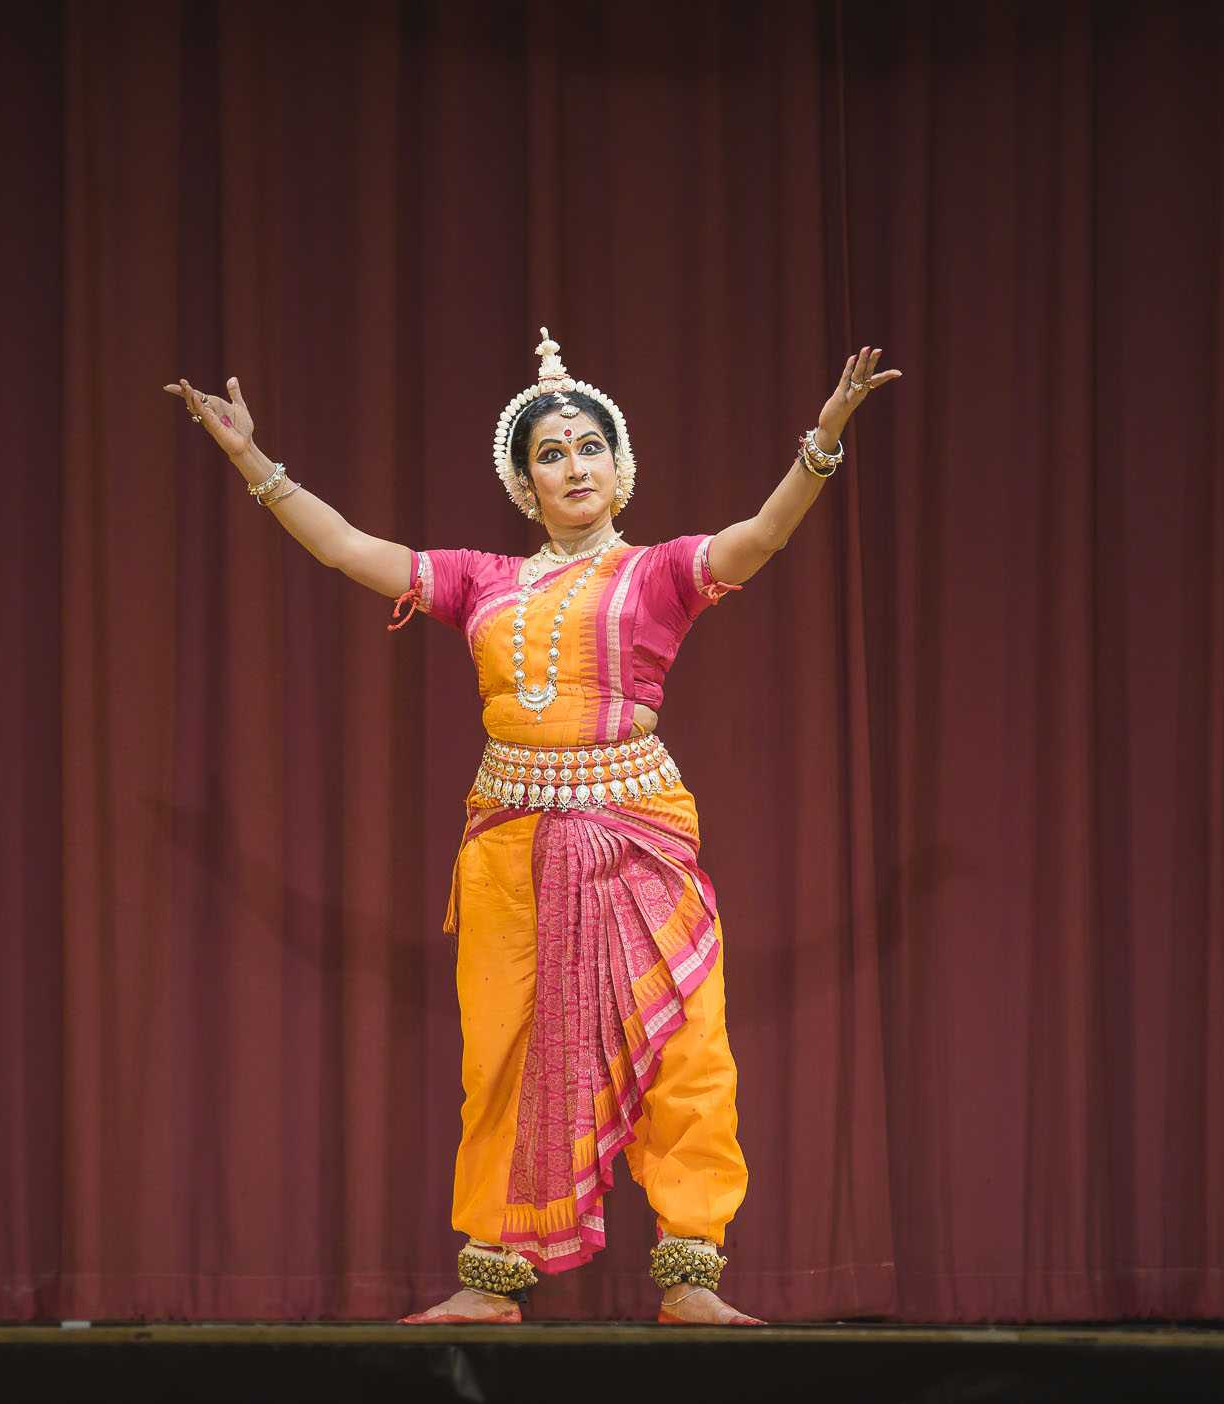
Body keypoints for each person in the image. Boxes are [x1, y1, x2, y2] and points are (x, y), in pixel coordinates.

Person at [166, 330, 899, 1325]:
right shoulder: (481, 582)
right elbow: (345, 548)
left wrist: (822, 441)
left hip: (636, 832)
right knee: (503, 1057)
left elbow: (761, 538)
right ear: (525, 484)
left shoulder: (659, 574)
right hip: (509, 846)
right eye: (551, 454)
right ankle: (491, 1275)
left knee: (683, 1044)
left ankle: (690, 1273)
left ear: (621, 466)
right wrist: (252, 456)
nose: (574, 466)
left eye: (590, 447)